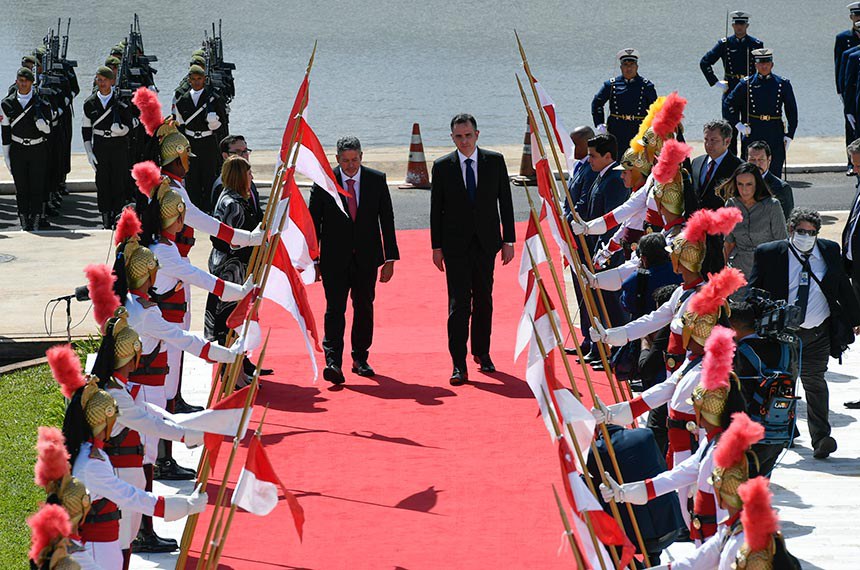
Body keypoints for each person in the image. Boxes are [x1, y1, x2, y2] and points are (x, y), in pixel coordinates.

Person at [749, 208, 860, 458]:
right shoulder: (770, 253)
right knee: (783, 385)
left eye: (812, 232)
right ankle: (785, 433)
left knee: (815, 382)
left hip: (818, 332)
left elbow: (842, 286)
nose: (806, 236)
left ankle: (821, 438)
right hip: (783, 335)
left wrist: (856, 318)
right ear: (791, 230)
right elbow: (754, 291)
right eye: (801, 231)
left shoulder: (829, 251)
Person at [430, 113, 515, 385]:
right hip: (455, 246)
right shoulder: (442, 166)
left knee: (484, 300)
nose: (464, 141)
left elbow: (506, 202)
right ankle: (458, 363)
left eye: (468, 135)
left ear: (477, 135)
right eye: (458, 136)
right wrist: (437, 247)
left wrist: (508, 240)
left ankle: (482, 352)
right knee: (458, 305)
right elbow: (436, 211)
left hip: (486, 242)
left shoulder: (495, 161)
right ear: (452, 138)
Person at [311, 136, 399, 385]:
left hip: (367, 258)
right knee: (335, 310)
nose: (350, 165)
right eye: (345, 161)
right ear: (336, 159)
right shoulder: (324, 182)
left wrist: (390, 258)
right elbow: (312, 223)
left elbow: (387, 220)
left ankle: (360, 358)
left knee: (364, 308)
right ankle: (333, 362)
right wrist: (313, 260)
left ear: (361, 156)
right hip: (333, 260)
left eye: (355, 160)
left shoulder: (376, 180)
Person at [586, 424, 686, 566]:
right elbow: (661, 467)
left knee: (604, 538)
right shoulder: (645, 435)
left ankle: (637, 567)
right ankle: (653, 561)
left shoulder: (596, 452)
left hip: (634, 538)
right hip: (671, 525)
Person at [206, 154, 263, 360]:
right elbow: (227, 240)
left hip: (236, 266)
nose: (252, 177)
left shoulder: (238, 199)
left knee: (240, 316)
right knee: (231, 317)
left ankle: (242, 361)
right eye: (248, 173)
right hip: (231, 269)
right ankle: (232, 366)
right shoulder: (232, 203)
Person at [724, 48, 798, 177]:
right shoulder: (746, 84)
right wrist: (738, 125)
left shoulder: (782, 84)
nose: (764, 66)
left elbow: (792, 111)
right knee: (750, 170)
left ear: (772, 64)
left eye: (767, 63)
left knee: (774, 170)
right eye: (761, 63)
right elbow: (729, 104)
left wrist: (789, 135)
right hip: (754, 129)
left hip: (774, 130)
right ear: (755, 65)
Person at [700, 11, 764, 156]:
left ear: (747, 25)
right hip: (730, 89)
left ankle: (747, 163)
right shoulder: (725, 44)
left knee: (748, 130)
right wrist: (716, 82)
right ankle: (731, 164)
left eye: (742, 24)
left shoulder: (755, 44)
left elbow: (761, 68)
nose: (739, 27)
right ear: (733, 25)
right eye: (736, 24)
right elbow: (705, 62)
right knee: (729, 131)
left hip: (749, 90)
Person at [82, 66, 134, 229]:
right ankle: (105, 215)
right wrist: (89, 152)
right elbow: (85, 129)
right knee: (103, 182)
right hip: (101, 147)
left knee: (118, 181)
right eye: (99, 79)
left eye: (104, 80)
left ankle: (117, 214)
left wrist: (121, 130)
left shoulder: (121, 103)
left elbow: (130, 126)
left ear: (112, 81)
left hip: (118, 146)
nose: (102, 83)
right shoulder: (90, 103)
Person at [1, 67, 53, 231]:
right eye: (20, 81)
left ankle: (36, 218)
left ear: (31, 82)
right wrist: (6, 155)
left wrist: (44, 127)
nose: (23, 84)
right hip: (18, 149)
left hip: (37, 148)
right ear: (16, 82)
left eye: (26, 81)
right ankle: (24, 218)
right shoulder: (7, 103)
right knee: (21, 187)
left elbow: (50, 130)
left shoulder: (42, 102)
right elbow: (5, 131)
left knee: (37, 186)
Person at [172, 65, 227, 212]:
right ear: (189, 80)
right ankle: (194, 208)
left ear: (204, 79)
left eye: (199, 79)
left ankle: (209, 209)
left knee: (209, 176)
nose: (196, 82)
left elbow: (223, 123)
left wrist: (215, 125)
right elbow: (179, 126)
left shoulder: (214, 99)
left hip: (208, 142)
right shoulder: (182, 100)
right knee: (191, 177)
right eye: (193, 79)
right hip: (190, 143)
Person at [721, 162, 787, 280]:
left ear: (757, 184)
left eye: (749, 184)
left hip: (766, 268)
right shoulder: (731, 204)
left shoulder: (772, 205)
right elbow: (728, 243)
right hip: (738, 269)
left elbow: (781, 243)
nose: (744, 190)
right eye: (740, 184)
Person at [591, 49, 658, 154]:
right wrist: (599, 123)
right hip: (616, 129)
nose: (629, 68)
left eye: (632, 64)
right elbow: (597, 103)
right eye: (625, 65)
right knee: (616, 158)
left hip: (639, 129)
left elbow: (655, 109)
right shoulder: (611, 85)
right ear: (621, 67)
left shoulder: (646, 86)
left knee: (637, 160)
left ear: (637, 67)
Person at [836, 4, 860, 171]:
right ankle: (851, 162)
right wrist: (841, 91)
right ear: (851, 17)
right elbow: (839, 66)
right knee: (851, 128)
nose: (858, 18)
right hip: (850, 90)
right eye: (856, 15)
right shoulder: (843, 38)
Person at [747, 140, 794, 219]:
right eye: (752, 160)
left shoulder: (781, 188)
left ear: (769, 160)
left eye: (761, 160)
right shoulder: (739, 183)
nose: (756, 164)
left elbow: (787, 220)